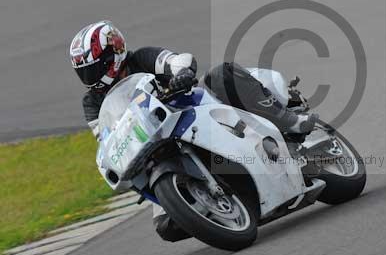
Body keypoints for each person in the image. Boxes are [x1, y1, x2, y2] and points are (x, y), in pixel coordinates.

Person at [69, 20, 317, 241]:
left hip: (192, 111)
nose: (90, 77)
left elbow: (177, 60)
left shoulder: (142, 59)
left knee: (222, 74)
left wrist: (182, 74)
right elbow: (106, 137)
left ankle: (289, 121)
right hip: (156, 148)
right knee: (168, 226)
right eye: (84, 72)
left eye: (94, 67)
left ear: (115, 53)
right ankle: (226, 200)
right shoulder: (92, 102)